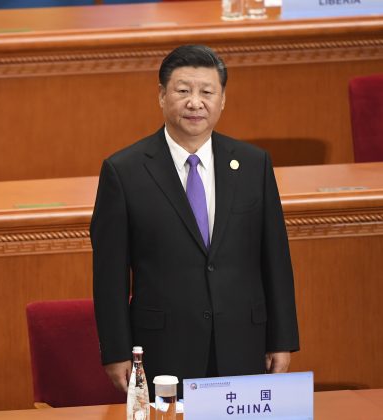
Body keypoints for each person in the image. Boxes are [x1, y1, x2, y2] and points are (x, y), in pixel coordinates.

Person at [91, 45, 299, 396]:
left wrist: (282, 339)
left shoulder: (253, 164)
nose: (195, 102)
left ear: (223, 100)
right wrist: (115, 350)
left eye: (207, 92)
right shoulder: (123, 171)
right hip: (163, 347)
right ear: (161, 96)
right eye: (183, 91)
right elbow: (109, 274)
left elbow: (275, 258)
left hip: (243, 341)